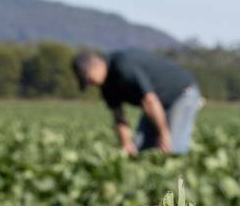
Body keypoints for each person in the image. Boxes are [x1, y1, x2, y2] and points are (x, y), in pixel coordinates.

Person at [71, 49, 200, 156]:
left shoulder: (123, 66)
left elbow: (150, 100)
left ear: (96, 66)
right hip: (156, 104)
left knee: (171, 148)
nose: (91, 84)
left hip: (181, 94)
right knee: (142, 149)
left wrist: (164, 135)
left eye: (89, 79)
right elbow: (119, 117)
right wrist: (126, 143)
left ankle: (178, 185)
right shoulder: (106, 87)